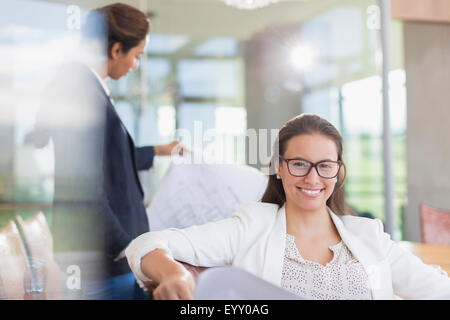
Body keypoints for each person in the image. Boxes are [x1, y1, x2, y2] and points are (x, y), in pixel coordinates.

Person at [125, 113, 450, 300]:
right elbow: (146, 245)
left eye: (325, 165)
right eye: (299, 164)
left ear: (337, 171)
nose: (312, 178)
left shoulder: (368, 235)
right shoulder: (251, 226)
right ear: (278, 167)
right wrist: (172, 275)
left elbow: (436, 290)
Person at [29, 3, 186, 299]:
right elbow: (84, 190)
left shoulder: (88, 87)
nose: (135, 65)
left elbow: (112, 163)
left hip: (106, 257)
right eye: (137, 56)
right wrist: (128, 250)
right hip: (101, 261)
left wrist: (159, 150)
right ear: (116, 50)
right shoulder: (81, 93)